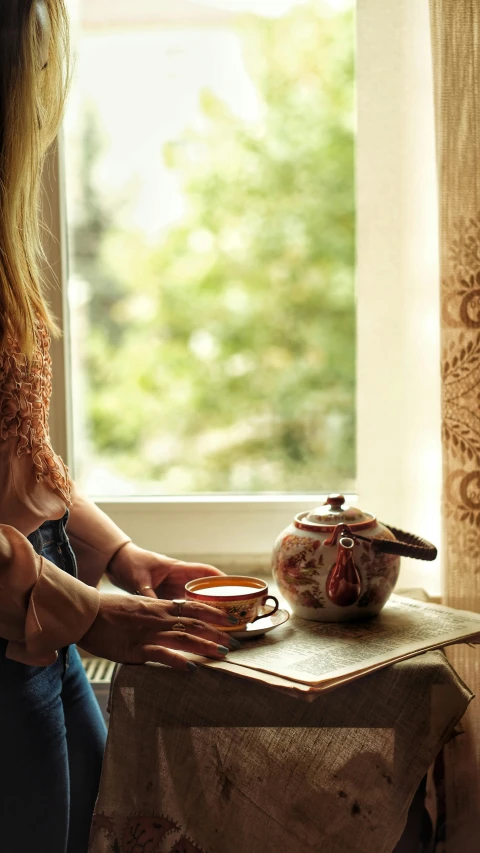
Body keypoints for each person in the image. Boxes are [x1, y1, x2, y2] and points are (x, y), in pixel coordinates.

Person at [0, 3, 239, 852]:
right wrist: (86, 611)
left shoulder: (3, 227)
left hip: (46, 607)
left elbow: (24, 457)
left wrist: (117, 557)